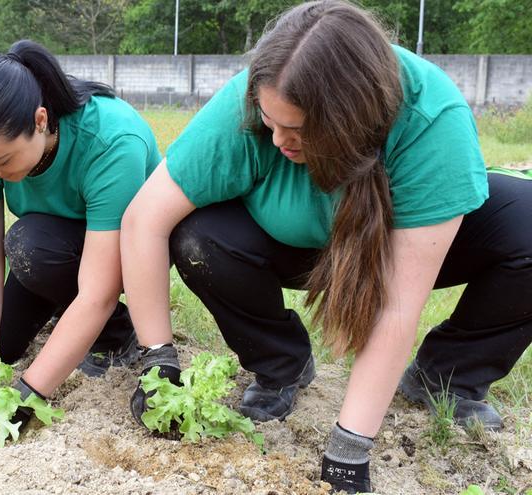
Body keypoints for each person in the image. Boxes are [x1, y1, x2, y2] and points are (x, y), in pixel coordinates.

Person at [121, 1, 531, 493]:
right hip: (291, 245)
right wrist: (157, 359)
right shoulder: (254, 99)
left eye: (295, 132)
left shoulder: (430, 117)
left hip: (392, 239)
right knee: (197, 237)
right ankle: (281, 367)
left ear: (349, 121)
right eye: (269, 123)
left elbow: (398, 304)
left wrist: (349, 451)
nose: (276, 141)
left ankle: (446, 377)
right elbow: (143, 220)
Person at [0, 40, 160, 447]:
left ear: (41, 119)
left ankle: (118, 334)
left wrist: (28, 396)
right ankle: (61, 314)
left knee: (29, 244)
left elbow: (97, 291)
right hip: (51, 249)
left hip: (125, 254)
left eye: (2, 162)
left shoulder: (113, 141)